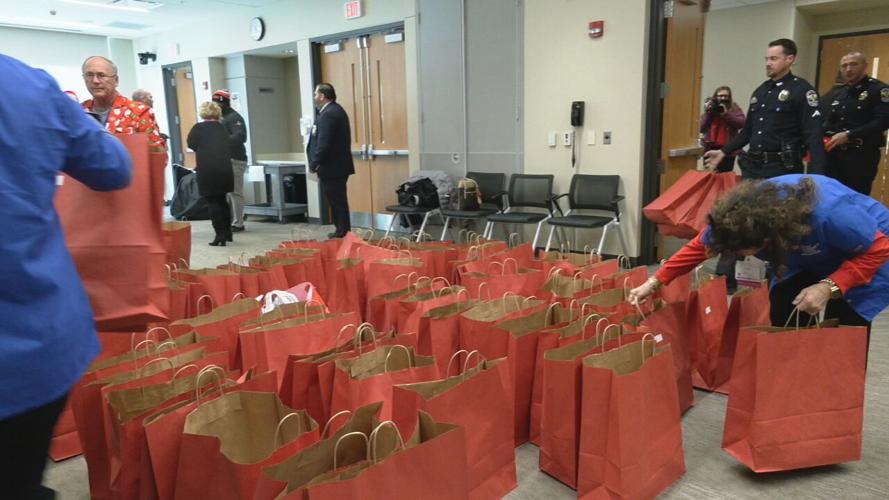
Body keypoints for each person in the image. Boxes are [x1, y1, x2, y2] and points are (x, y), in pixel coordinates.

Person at [0, 54, 132, 499]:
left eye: (102, 75)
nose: (96, 81)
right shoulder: (27, 85)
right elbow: (113, 166)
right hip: (34, 343)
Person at [629, 175, 889, 337]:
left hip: (865, 249)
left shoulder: (832, 213)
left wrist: (828, 287)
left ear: (766, 238)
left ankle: (838, 402)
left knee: (844, 326)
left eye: (746, 252)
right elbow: (699, 247)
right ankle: (793, 393)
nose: (743, 257)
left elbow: (878, 248)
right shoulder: (735, 219)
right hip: (803, 254)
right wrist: (655, 282)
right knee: (784, 308)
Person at [704, 39, 826, 179]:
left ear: (789, 59)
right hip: (752, 167)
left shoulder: (802, 90)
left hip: (782, 169)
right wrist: (723, 152)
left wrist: (817, 176)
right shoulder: (761, 91)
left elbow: (813, 135)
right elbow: (748, 131)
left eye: (773, 59)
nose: (768, 63)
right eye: (766, 59)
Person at [822, 51, 889, 196]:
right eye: (844, 66)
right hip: (834, 156)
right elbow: (828, 121)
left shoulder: (878, 90)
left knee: (855, 200)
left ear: (865, 66)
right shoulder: (840, 93)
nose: (848, 69)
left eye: (853, 64)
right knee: (830, 198)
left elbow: (883, 121)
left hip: (860, 157)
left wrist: (849, 135)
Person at [80, 56, 165, 149]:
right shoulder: (78, 113)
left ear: (116, 80)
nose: (95, 81)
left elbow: (157, 154)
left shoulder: (139, 112)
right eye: (89, 75)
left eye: (102, 75)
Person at [307, 82, 355, 238]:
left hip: (333, 167)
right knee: (335, 200)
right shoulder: (331, 111)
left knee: (337, 201)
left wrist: (314, 163)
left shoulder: (330, 114)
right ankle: (340, 229)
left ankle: (342, 231)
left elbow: (324, 142)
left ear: (322, 96)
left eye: (315, 94)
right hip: (335, 166)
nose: (314, 97)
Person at [187, 102, 235, 246]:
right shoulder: (223, 128)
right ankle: (227, 233)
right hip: (225, 169)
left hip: (208, 169)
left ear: (202, 113)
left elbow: (191, 144)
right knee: (223, 200)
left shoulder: (198, 128)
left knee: (212, 201)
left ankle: (219, 235)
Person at [211, 90, 248, 233]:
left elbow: (240, 137)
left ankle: (238, 223)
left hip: (235, 159)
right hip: (224, 160)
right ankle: (229, 220)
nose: (216, 106)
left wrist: (221, 140)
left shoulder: (234, 117)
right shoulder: (220, 118)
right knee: (226, 193)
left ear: (224, 103)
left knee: (235, 193)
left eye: (218, 103)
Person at [699, 86, 746, 172]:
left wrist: (726, 114)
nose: (723, 98)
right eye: (720, 96)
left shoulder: (734, 108)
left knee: (725, 177)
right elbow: (701, 128)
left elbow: (741, 123)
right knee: (709, 175)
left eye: (725, 96)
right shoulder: (711, 108)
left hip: (728, 150)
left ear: (729, 97)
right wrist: (709, 113)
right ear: (715, 97)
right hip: (710, 149)